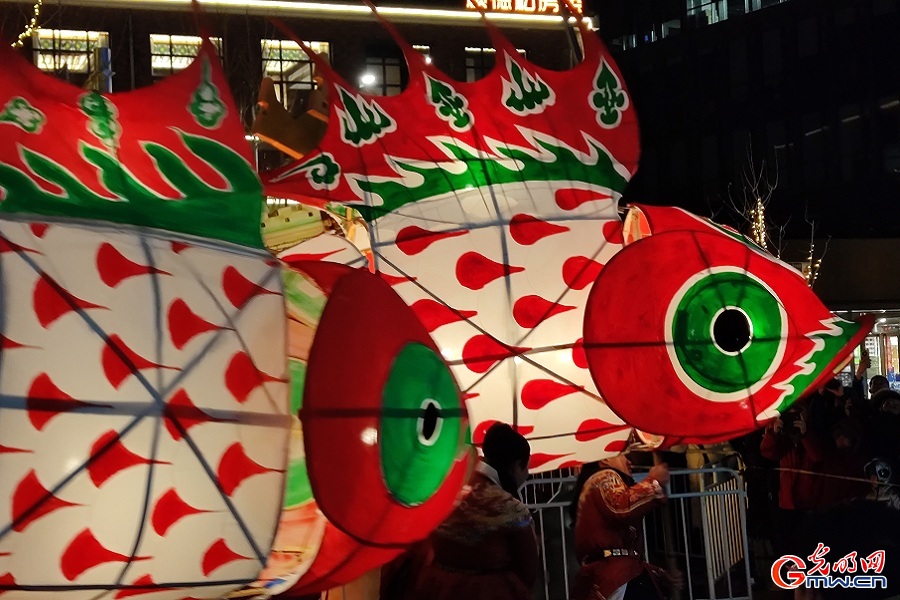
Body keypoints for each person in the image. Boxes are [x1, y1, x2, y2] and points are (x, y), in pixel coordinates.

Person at [410, 422, 538, 600]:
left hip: (438, 589)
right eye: (526, 467)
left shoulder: (447, 494)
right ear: (517, 466)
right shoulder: (512, 509)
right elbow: (528, 571)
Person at [570, 454, 676, 600]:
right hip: (617, 575)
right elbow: (621, 507)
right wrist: (654, 482)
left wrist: (656, 572)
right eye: (623, 455)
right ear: (605, 459)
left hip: (613, 575)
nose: (629, 461)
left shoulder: (595, 485)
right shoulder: (603, 476)